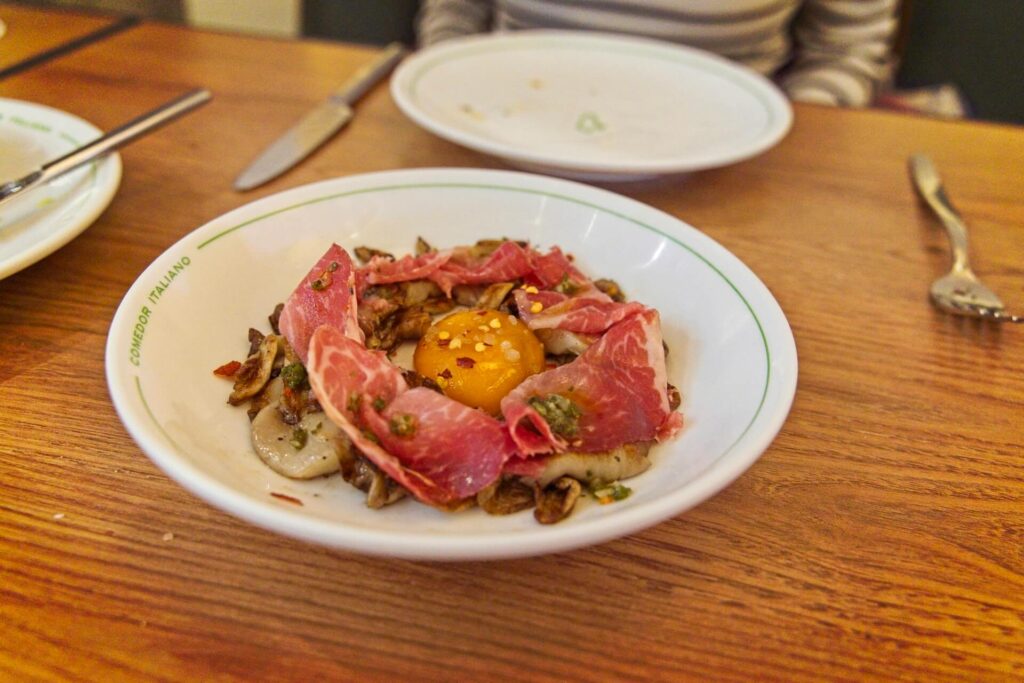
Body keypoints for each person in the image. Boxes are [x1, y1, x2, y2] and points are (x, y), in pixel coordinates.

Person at [417, 0, 902, 108]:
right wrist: (449, 91)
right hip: (497, 126)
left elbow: (847, 48)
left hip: (727, 172)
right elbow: (456, 12)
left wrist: (784, 127)